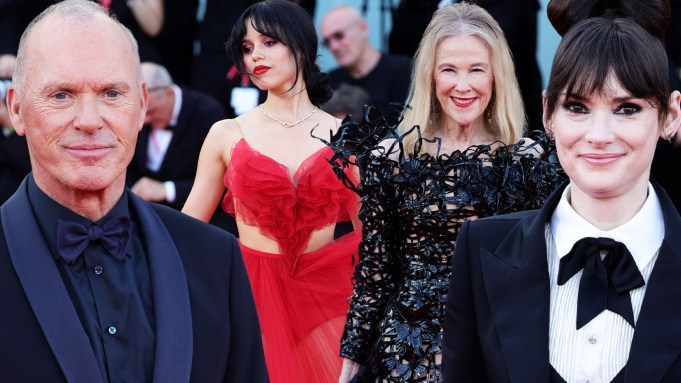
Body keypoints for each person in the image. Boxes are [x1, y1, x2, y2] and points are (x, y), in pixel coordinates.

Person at [0, 1, 268, 381]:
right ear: (17, 109)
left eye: (111, 93)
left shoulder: (216, 259)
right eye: (61, 95)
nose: (90, 121)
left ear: (142, 105)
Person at [326, 2, 566, 382]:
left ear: (496, 76)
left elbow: (543, 272)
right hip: (408, 352)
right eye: (449, 69)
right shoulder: (394, 157)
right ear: (430, 77)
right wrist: (351, 359)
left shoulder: (526, 161)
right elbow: (376, 267)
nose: (463, 85)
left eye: (476, 70)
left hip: (495, 347)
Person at [442, 0, 681, 382]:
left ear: (670, 116)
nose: (599, 136)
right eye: (577, 107)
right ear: (547, 113)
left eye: (627, 109)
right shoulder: (480, 249)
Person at [182, 1, 362, 382]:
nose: (256, 55)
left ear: (299, 44)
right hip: (248, 299)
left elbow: (374, 238)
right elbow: (185, 235)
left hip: (329, 303)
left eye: (267, 42)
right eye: (247, 48)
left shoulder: (347, 138)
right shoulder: (226, 133)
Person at [126, 61, 237, 235]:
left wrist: (167, 190)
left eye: (150, 112)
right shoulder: (140, 117)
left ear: (169, 93)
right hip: (147, 216)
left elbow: (225, 181)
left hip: (201, 218)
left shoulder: (207, 113)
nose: (144, 121)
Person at [320, 5, 412, 119]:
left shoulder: (403, 70)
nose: (333, 46)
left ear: (363, 27)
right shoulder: (329, 82)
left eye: (339, 35)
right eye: (327, 42)